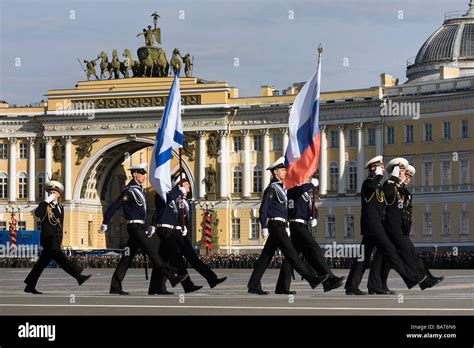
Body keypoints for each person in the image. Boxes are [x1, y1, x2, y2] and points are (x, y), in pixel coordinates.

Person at [344, 156, 432, 295]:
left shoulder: (379, 184)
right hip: (373, 225)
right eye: (380, 167)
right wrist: (379, 175)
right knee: (390, 251)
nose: (382, 169)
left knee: (363, 257)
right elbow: (373, 187)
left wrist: (397, 180)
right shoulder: (368, 183)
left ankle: (352, 286)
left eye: (382, 167)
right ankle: (411, 278)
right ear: (373, 168)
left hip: (376, 225)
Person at [247, 157, 329, 295]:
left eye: (285, 169)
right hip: (275, 225)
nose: (285, 172)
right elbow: (264, 209)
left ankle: (253, 285)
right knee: (292, 254)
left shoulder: (281, 188)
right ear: (275, 172)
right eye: (282, 169)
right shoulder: (272, 189)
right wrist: (264, 226)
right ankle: (312, 278)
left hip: (281, 225)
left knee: (266, 257)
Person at [100, 163, 185, 295]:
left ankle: (115, 286)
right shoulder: (129, 192)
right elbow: (114, 206)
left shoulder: (140, 191)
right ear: (135, 175)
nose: (145, 176)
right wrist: (105, 222)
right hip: (134, 228)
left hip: (139, 227)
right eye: (142, 173)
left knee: (126, 258)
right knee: (153, 254)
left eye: (145, 173)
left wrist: (149, 227)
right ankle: (172, 276)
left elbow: (143, 212)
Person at [368, 163, 444, 293]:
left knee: (384, 258)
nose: (405, 175)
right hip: (392, 228)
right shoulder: (390, 185)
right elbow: (386, 198)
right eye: (402, 171)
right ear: (396, 171)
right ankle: (424, 279)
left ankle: (377, 285)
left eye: (405, 172)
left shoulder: (400, 188)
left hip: (398, 228)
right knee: (408, 253)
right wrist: (394, 178)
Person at [275, 178, 345, 294]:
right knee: (314, 249)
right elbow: (300, 190)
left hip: (303, 225)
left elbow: (312, 208)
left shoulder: (305, 194)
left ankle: (282, 286)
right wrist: (311, 184)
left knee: (292, 258)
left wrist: (314, 217)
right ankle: (330, 278)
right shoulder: (292, 189)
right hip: (296, 225)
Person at [24, 181, 91, 294]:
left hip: (55, 240)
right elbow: (38, 214)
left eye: (54, 192)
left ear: (59, 194)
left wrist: (60, 240)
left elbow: (60, 225)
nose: (52, 194)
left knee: (41, 265)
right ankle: (78, 275)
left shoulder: (61, 207)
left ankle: (30, 285)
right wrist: (46, 201)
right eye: (50, 192)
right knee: (61, 259)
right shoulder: (45, 205)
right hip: (48, 240)